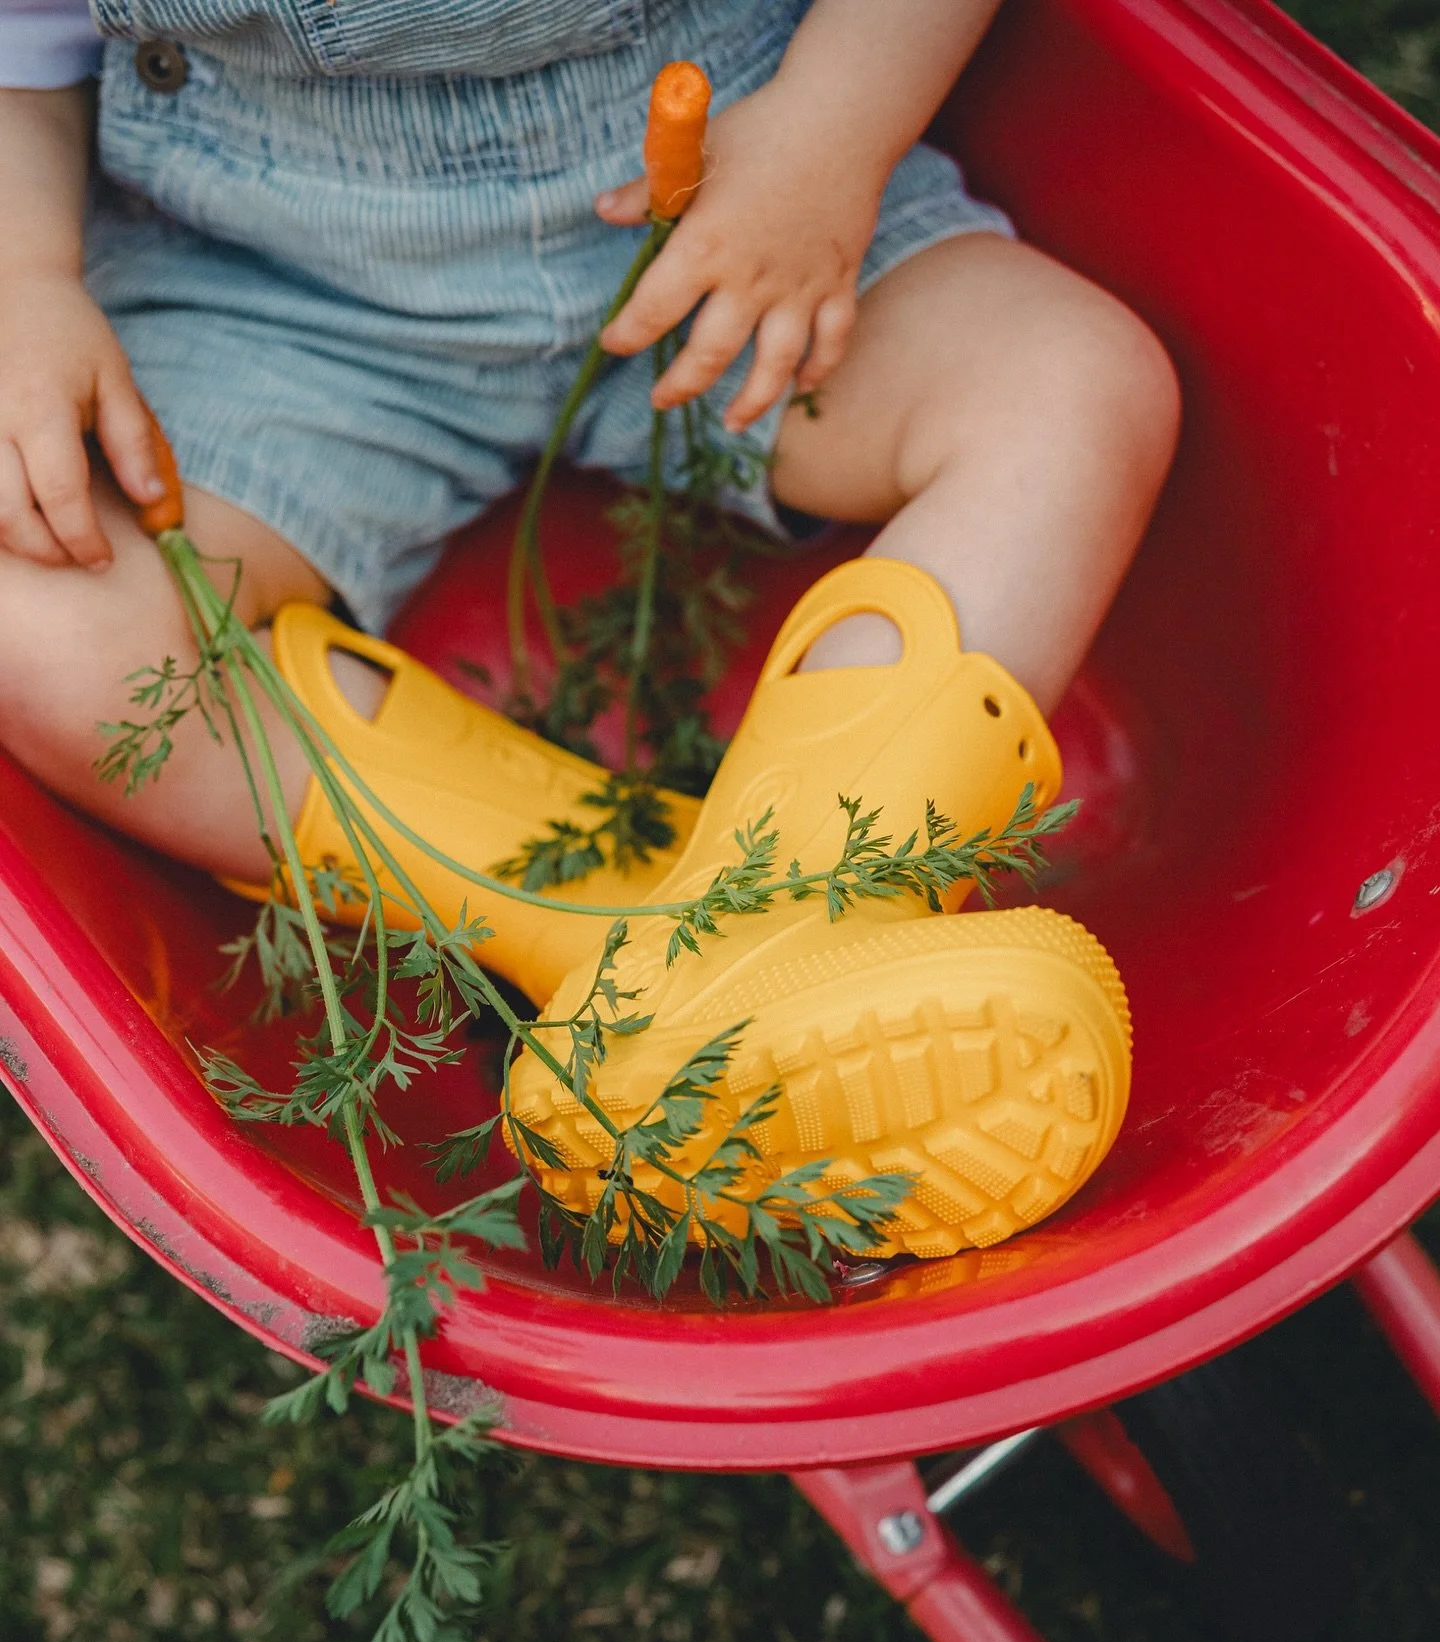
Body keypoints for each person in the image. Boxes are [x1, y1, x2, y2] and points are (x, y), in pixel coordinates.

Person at [0, 0, 1179, 1256]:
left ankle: (741, 951)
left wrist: (834, 135)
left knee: (1073, 391)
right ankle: (674, 953)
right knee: (47, 622)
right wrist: (22, 279)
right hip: (285, 302)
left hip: (736, 212)